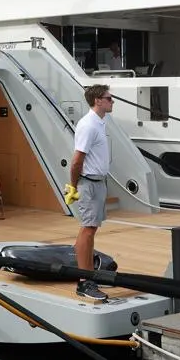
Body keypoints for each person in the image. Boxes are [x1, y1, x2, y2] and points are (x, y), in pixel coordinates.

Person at [64, 83, 114, 301]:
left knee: (90, 229)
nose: (112, 101)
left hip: (98, 183)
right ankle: (84, 282)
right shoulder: (88, 125)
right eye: (109, 98)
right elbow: (77, 161)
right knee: (87, 229)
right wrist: (74, 186)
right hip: (89, 184)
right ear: (98, 101)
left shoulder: (99, 123)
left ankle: (89, 275)